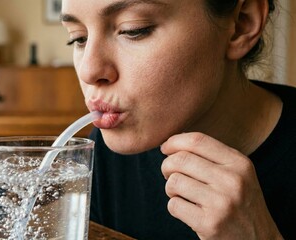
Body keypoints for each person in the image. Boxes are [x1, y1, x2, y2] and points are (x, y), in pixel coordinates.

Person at [61, 0, 295, 239]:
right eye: (79, 38)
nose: (88, 71)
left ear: (242, 24)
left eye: (133, 30)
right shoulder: (104, 152)